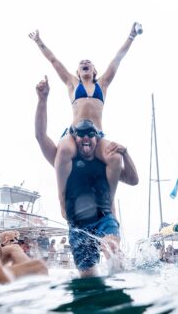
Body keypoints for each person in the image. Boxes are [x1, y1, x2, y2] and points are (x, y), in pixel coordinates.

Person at [29, 23, 141, 217]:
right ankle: (61, 199)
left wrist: (131, 36)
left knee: (114, 156)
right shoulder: (72, 83)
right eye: (81, 63)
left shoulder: (103, 83)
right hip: (75, 134)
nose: (85, 62)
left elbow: (117, 59)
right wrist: (39, 41)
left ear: (95, 71)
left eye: (88, 62)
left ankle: (109, 199)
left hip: (97, 134)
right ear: (78, 72)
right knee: (63, 149)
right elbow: (54, 61)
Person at [34, 78, 139, 277]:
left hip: (104, 218)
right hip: (77, 226)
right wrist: (42, 99)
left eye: (90, 134)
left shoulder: (105, 163)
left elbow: (134, 180)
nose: (86, 138)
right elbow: (40, 136)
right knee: (88, 277)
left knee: (111, 249)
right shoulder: (63, 161)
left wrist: (126, 153)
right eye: (81, 134)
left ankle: (122, 288)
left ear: (96, 137)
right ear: (75, 137)